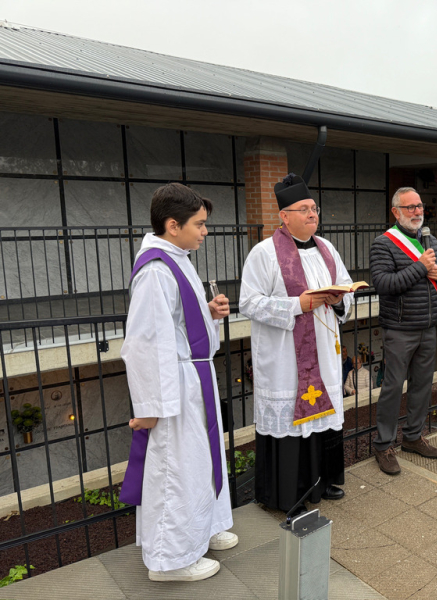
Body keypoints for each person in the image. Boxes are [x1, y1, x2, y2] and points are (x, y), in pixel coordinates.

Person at [119, 183, 236, 582]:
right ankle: (170, 561)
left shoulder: (177, 257)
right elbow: (145, 342)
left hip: (194, 374)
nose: (205, 231)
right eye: (200, 224)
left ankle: (204, 528)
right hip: (174, 386)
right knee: (175, 468)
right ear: (173, 225)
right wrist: (151, 409)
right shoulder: (155, 269)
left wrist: (207, 312)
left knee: (200, 460)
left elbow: (172, 321)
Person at [239, 173, 354, 516]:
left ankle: (322, 482)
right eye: (303, 209)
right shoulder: (264, 254)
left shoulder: (327, 248)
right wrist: (295, 305)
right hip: (286, 360)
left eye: (314, 208)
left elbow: (346, 285)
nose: (312, 214)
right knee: (293, 424)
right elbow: (248, 303)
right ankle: (289, 493)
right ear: (283, 217)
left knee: (323, 419)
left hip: (324, 353)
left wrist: (337, 299)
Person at [370, 186, 437, 475]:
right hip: (400, 329)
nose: (417, 212)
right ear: (396, 212)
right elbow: (383, 284)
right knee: (392, 388)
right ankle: (384, 445)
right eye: (410, 207)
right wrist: (420, 267)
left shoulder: (430, 240)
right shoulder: (383, 243)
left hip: (429, 326)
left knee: (422, 387)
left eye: (420, 206)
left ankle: (413, 437)